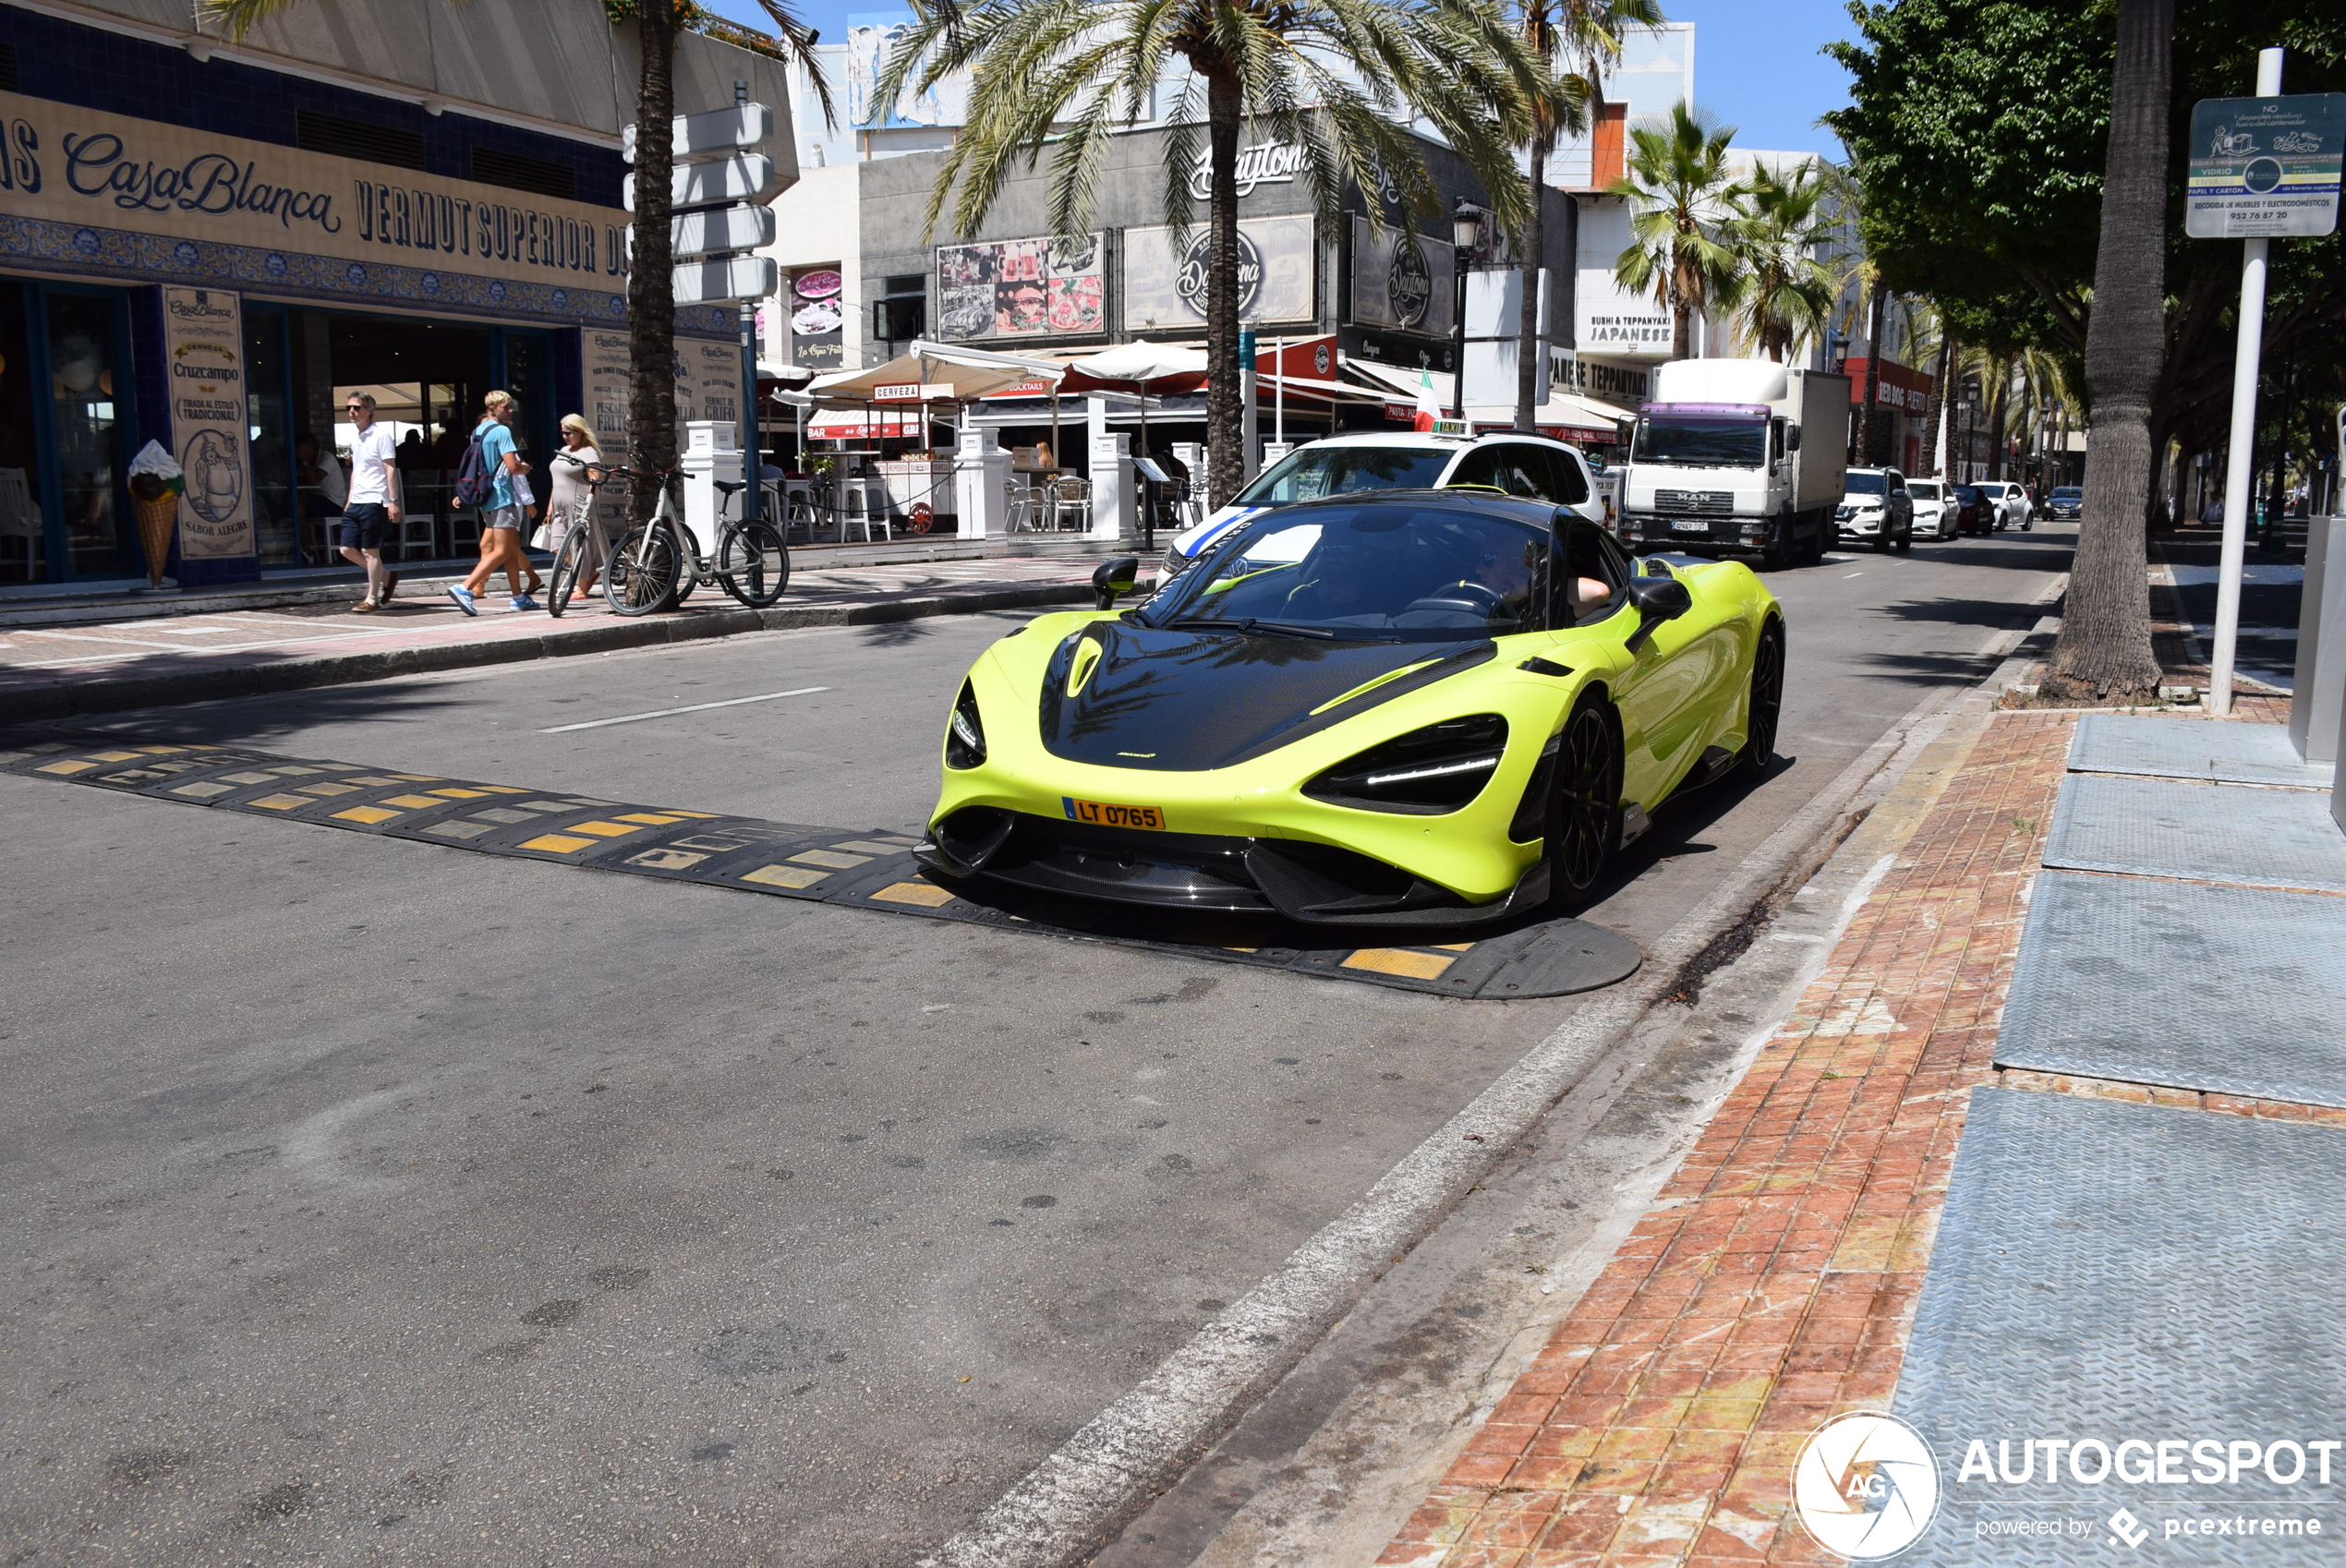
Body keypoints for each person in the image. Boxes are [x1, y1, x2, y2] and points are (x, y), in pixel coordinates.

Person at [447, 391, 537, 614]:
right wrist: (526, 467)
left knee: (511, 548)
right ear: (492, 409)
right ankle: (464, 587)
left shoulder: (478, 431)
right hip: (502, 497)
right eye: (505, 407)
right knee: (502, 550)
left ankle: (518, 597)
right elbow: (513, 467)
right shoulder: (502, 431)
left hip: (486, 497)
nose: (509, 411)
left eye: (509, 406)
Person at [339, 393, 403, 611]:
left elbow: (390, 468)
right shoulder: (356, 438)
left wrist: (393, 502)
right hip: (357, 500)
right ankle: (386, 575)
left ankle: (372, 598)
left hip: (375, 499)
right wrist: (349, 498)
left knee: (370, 551)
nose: (351, 411)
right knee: (346, 549)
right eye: (349, 407)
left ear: (369, 410)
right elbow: (356, 470)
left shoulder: (381, 435)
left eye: (356, 408)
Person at [545, 414, 608, 600]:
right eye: (563, 432)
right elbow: (556, 481)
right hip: (558, 505)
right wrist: (550, 505)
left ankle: (582, 586)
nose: (565, 436)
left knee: (582, 546)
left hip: (579, 504)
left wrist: (589, 504)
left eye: (569, 433)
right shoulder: (564, 450)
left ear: (580, 432)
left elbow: (594, 480)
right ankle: (586, 572)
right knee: (556, 545)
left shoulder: (588, 453)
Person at [295, 430, 345, 565]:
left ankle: (307, 548)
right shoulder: (310, 463)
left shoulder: (327, 458)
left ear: (309, 448)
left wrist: (305, 461)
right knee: (298, 508)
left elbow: (314, 480)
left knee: (299, 505)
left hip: (334, 503)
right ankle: (305, 546)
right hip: (319, 500)